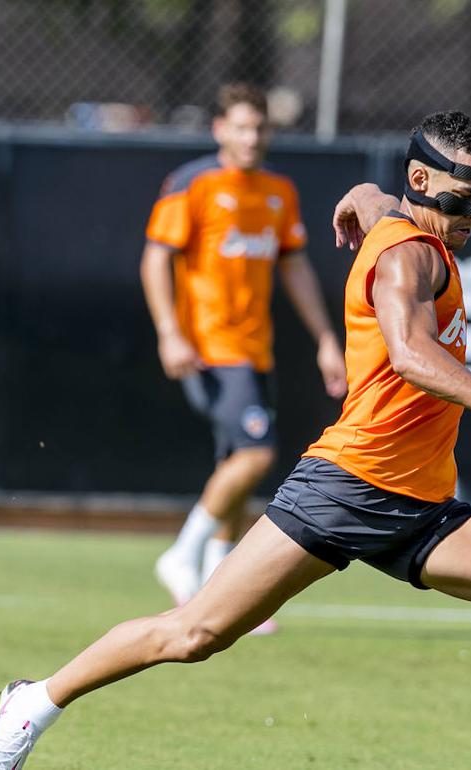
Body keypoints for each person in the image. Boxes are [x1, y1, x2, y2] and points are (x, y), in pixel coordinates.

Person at [0, 110, 471, 770]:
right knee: (194, 633)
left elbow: (374, 199)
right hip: (343, 488)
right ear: (422, 179)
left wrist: (358, 200)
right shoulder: (410, 258)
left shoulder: (400, 215)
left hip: (420, 508)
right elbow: (410, 354)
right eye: (462, 197)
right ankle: (34, 703)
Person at [140, 82, 347, 634]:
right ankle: (183, 554)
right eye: (241, 127)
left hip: (256, 349)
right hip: (209, 347)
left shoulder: (278, 191)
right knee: (256, 455)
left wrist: (327, 338)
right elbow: (155, 260)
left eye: (260, 128)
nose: (252, 137)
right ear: (220, 130)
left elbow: (295, 267)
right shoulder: (194, 183)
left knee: (234, 464)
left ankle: (217, 584)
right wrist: (169, 332)